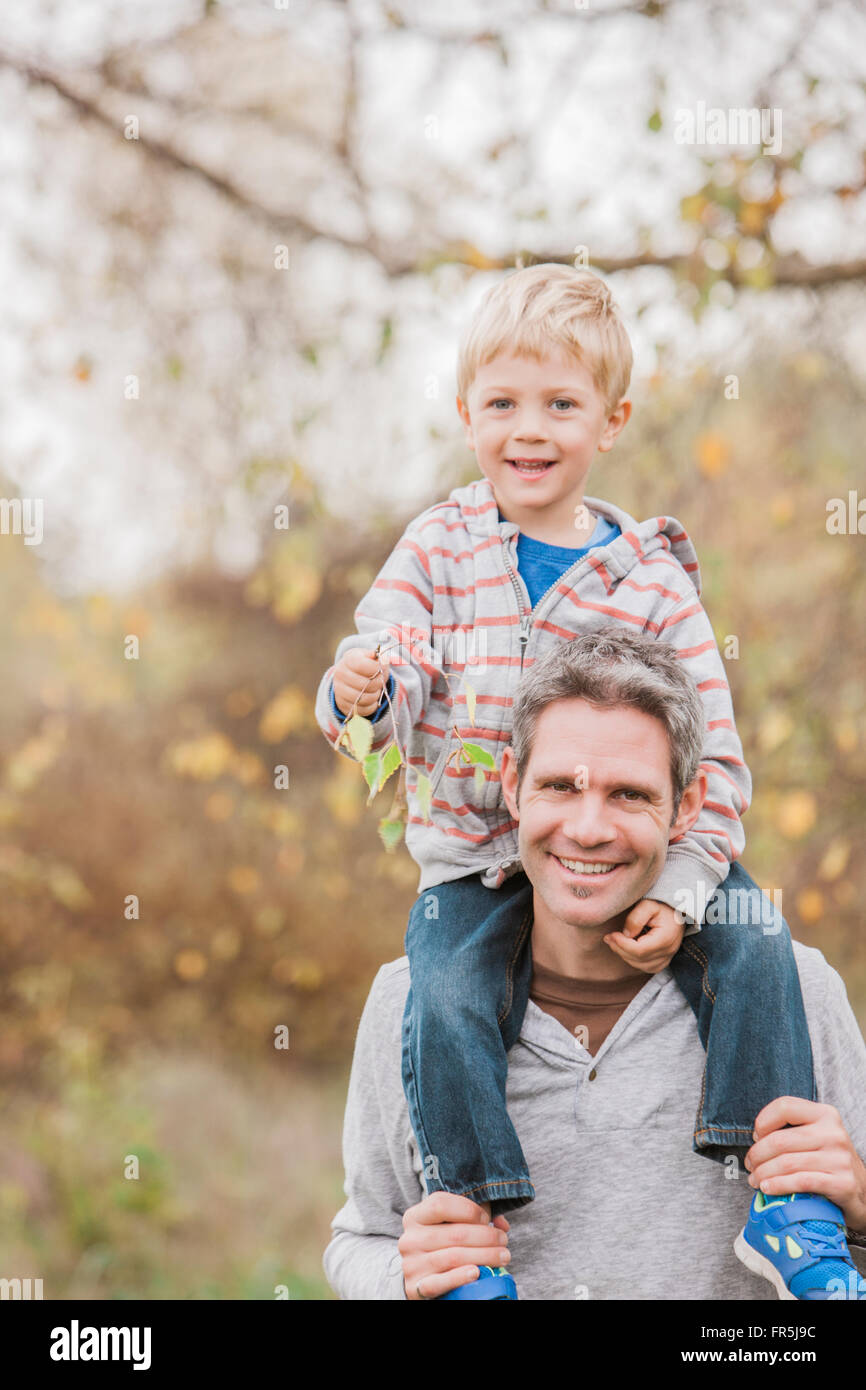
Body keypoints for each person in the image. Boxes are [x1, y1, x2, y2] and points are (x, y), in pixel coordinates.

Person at [314, 263, 812, 1285]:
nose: (526, 429)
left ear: (611, 419)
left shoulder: (648, 576)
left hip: (651, 867)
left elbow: (712, 753)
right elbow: (389, 671)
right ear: (465, 415)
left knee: (757, 946)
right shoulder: (439, 550)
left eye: (558, 404)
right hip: (471, 861)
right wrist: (360, 692)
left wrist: (681, 892)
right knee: (447, 999)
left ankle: (784, 1199)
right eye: (500, 403)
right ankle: (472, 1214)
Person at [323, 632, 866, 1301]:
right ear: (513, 789)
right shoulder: (410, 1001)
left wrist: (862, 1208)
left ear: (687, 809)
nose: (588, 828)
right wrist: (402, 1279)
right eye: (559, 786)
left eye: (629, 796)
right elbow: (360, 1241)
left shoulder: (796, 992)